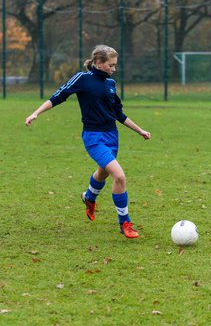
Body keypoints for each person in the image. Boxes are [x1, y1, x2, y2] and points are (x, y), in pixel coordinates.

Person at [25, 45, 151, 239]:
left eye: (115, 65)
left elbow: (118, 114)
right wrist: (36, 113)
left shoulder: (110, 84)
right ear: (99, 63)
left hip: (111, 136)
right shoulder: (82, 79)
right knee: (119, 176)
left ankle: (89, 197)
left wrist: (140, 130)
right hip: (93, 137)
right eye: (111, 65)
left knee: (103, 172)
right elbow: (59, 96)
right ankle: (124, 222)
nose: (114, 69)